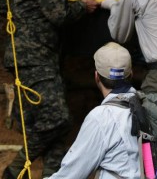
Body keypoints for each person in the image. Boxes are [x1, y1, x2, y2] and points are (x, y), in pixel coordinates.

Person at [2, 0, 100, 179]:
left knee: (56, 129)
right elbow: (58, 14)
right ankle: (14, 171)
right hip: (32, 57)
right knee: (58, 119)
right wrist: (82, 6)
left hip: (42, 57)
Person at [45, 42, 140, 179]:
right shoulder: (148, 105)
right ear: (131, 75)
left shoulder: (102, 117)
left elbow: (71, 174)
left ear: (96, 77)